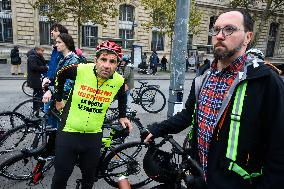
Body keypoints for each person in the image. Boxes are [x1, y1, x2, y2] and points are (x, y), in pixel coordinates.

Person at [143, 9, 284, 189]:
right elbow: (188, 115)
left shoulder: (266, 81)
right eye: (216, 30)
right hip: (200, 177)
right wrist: (157, 129)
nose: (219, 35)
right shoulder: (203, 78)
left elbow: (279, 148)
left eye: (229, 29)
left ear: (247, 37)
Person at [51, 40, 133, 189]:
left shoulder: (119, 81)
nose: (107, 65)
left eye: (112, 61)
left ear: (117, 64)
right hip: (69, 132)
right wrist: (58, 99)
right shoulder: (80, 69)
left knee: (89, 178)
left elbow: (122, 96)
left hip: (93, 136)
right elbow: (59, 74)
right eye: (103, 59)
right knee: (61, 177)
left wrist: (123, 115)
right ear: (95, 60)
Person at [42, 23, 68, 128]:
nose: (51, 32)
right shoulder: (55, 50)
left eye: (54, 30)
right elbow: (52, 67)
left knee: (54, 117)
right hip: (51, 85)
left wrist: (51, 87)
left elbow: (61, 74)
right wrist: (46, 78)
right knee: (48, 113)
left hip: (55, 89)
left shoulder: (63, 52)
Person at [27, 47, 48, 115]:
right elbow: (34, 67)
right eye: (42, 51)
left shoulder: (37, 56)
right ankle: (37, 110)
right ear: (37, 50)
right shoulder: (32, 57)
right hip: (35, 79)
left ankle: (37, 110)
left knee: (38, 94)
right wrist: (46, 68)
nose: (43, 53)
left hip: (38, 78)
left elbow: (42, 63)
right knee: (38, 95)